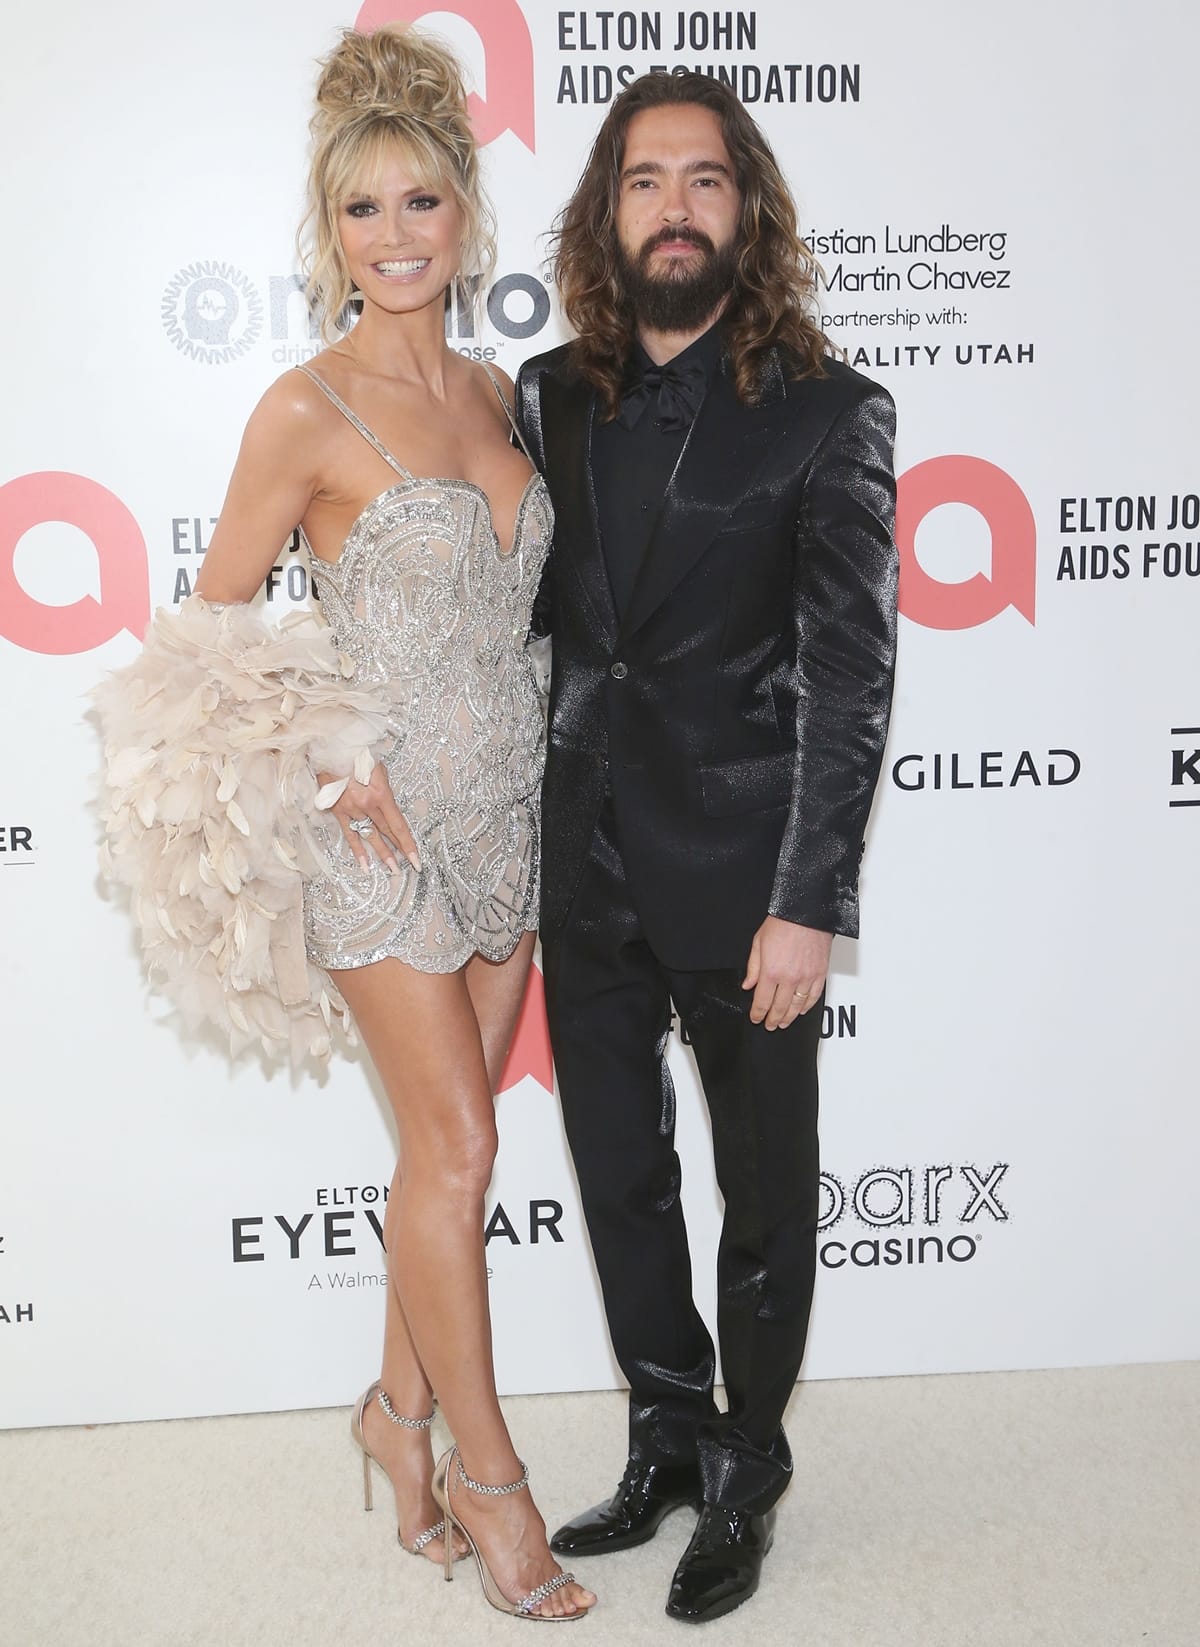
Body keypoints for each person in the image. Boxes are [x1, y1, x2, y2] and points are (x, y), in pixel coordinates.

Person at [95, 24, 593, 1623]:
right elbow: (211, 635)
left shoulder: (501, 393)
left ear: (467, 220)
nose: (396, 236)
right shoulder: (300, 410)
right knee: (449, 1147)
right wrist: (324, 767)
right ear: (330, 234)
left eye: (422, 204)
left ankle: (395, 1417)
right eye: (365, 211)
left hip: (506, 817)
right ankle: (493, 1484)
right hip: (373, 832)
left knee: (464, 1152)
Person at [516, 71, 898, 1623]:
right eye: (645, 180)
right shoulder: (546, 394)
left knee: (763, 1189)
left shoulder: (830, 413)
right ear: (607, 215)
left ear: (750, 210)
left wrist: (810, 901)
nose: (676, 205)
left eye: (707, 179)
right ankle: (665, 1425)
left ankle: (749, 1464)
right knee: (618, 1175)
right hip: (580, 859)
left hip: (746, 882)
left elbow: (852, 674)